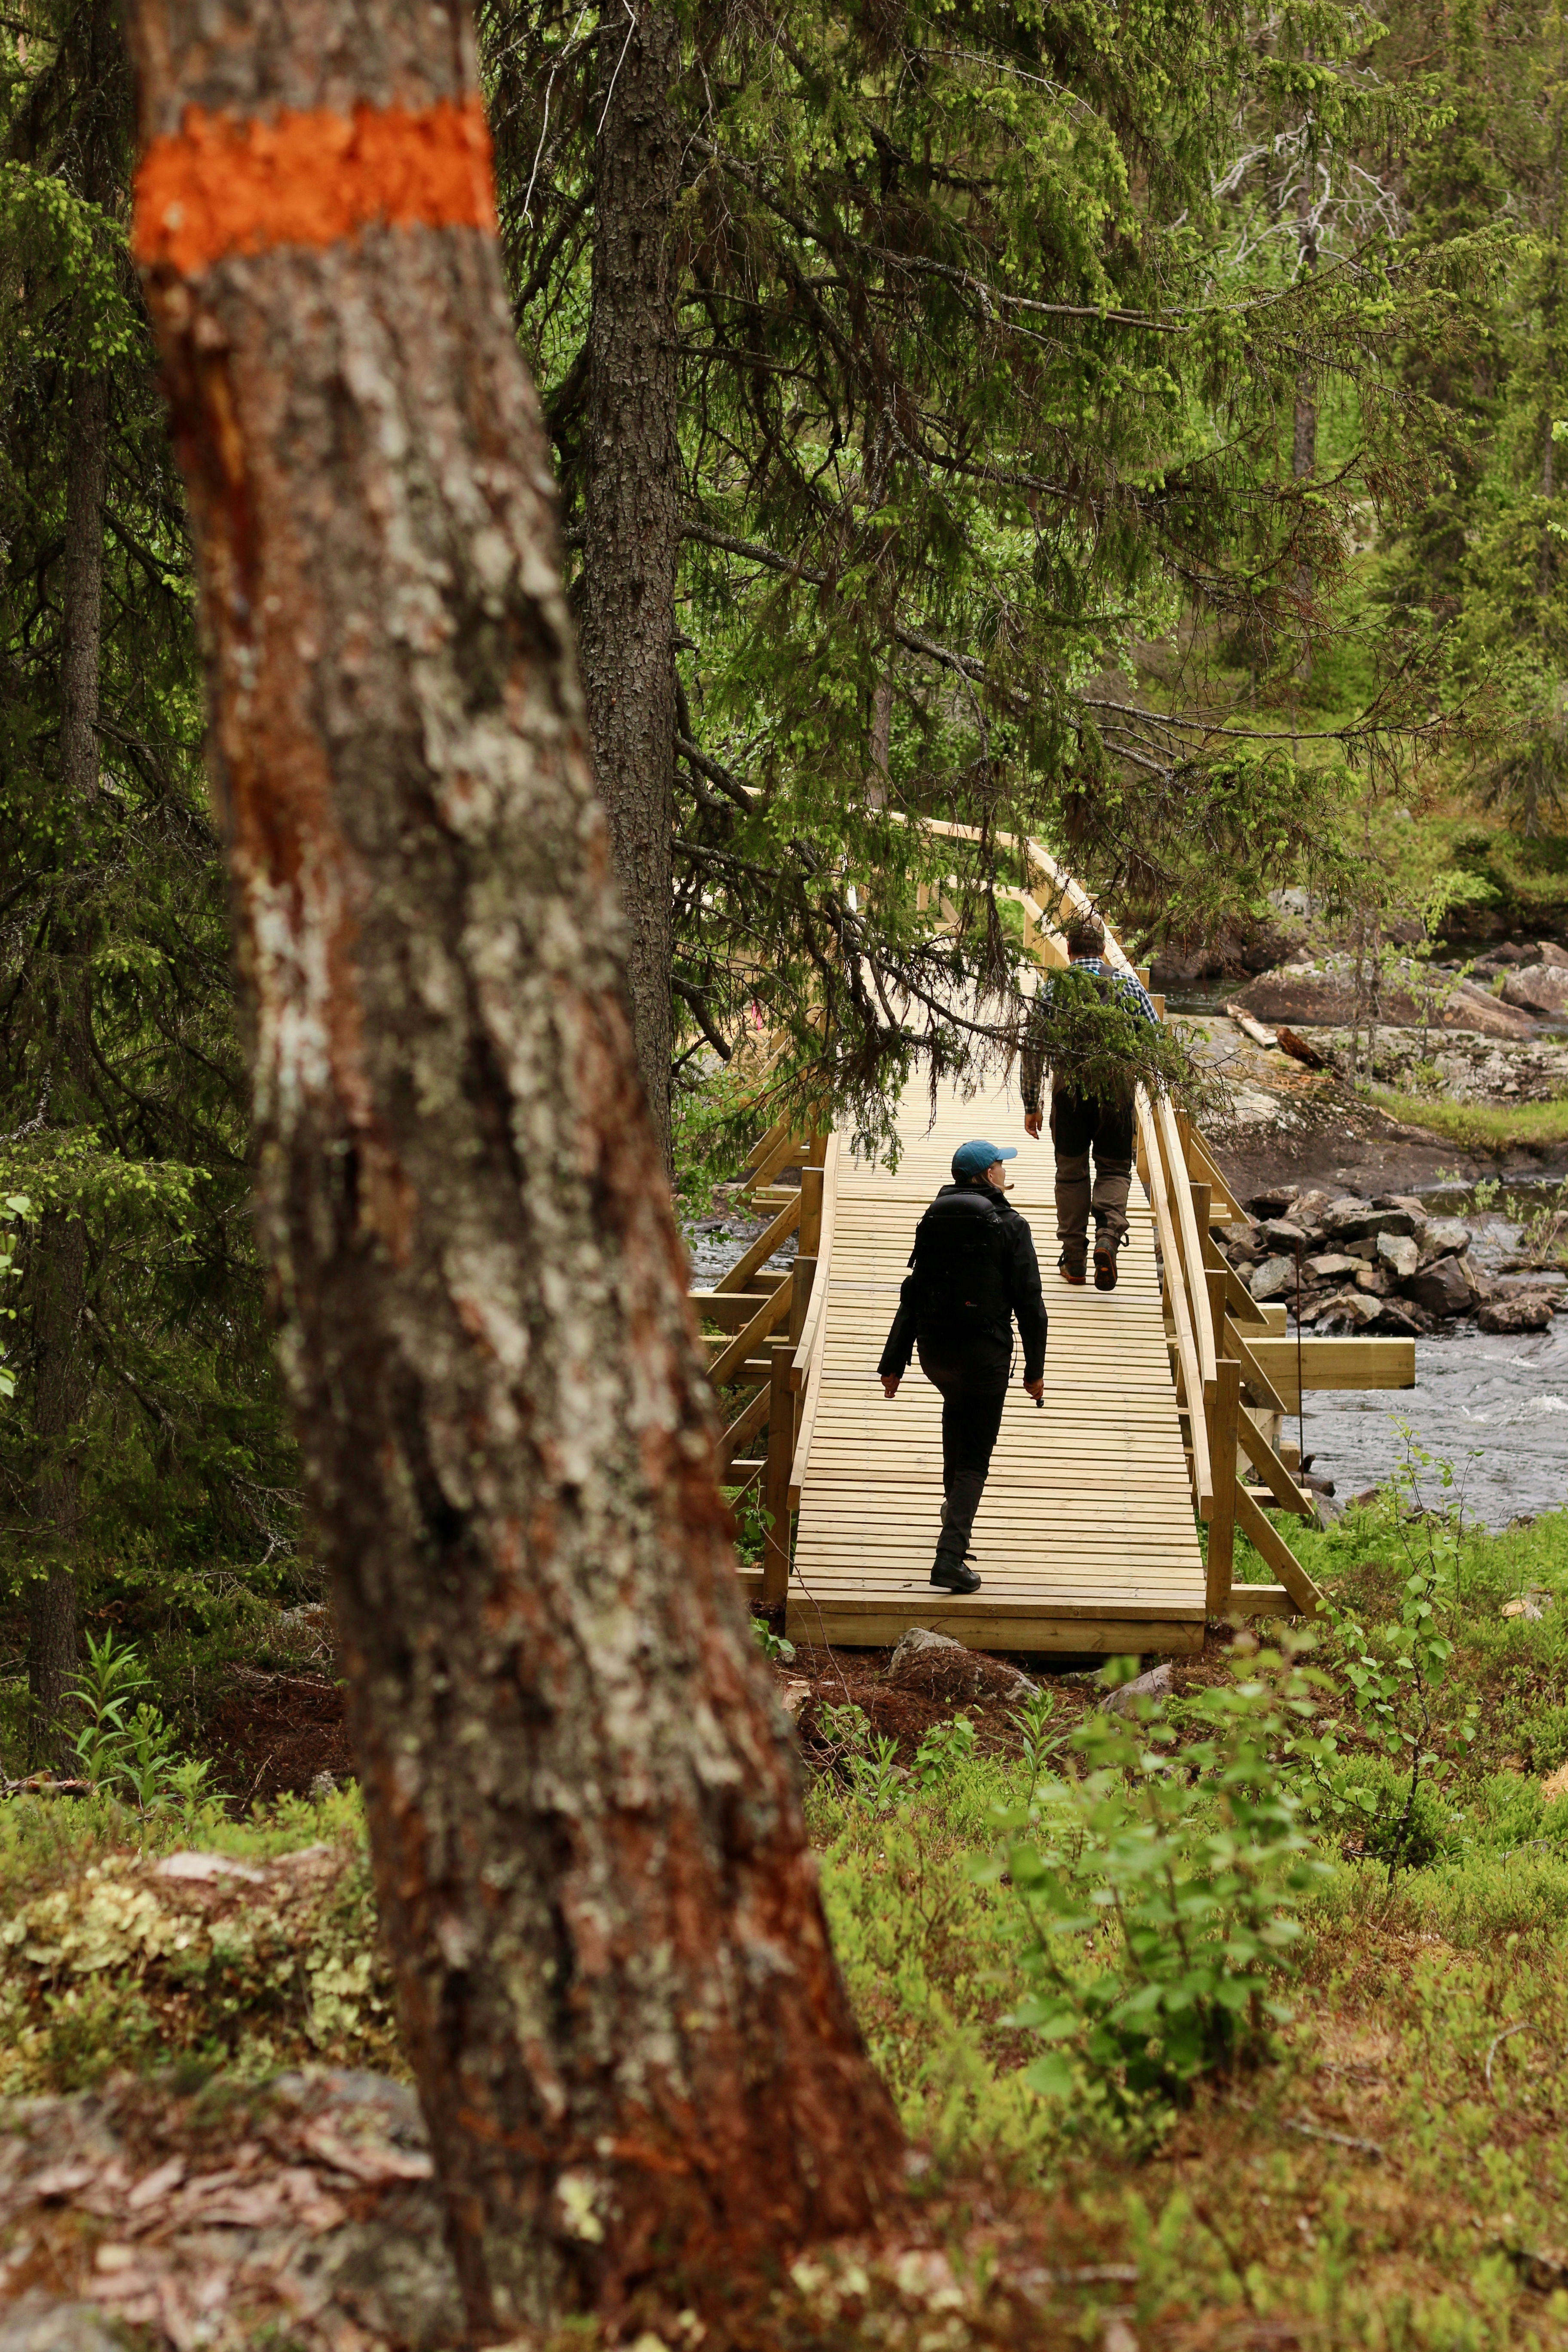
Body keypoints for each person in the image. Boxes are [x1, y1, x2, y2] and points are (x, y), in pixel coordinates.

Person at [877, 1139, 1047, 1594]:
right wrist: (1035, 1370)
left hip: (935, 1353)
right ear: (987, 1175)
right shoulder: (1011, 1224)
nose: (1003, 1170)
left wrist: (893, 1363)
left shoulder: (933, 1219)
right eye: (999, 1165)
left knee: (957, 1415)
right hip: (984, 1355)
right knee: (974, 1457)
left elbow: (913, 1293)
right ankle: (950, 1558)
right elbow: (1031, 1303)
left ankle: (955, 1515)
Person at [1020, 911, 1159, 1292]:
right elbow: (1155, 1041)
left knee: (1071, 1174)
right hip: (1116, 1095)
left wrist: (1032, 1103)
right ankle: (1107, 1240)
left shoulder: (1053, 989)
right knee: (1114, 1170)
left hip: (1069, 1096)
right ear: (1102, 948)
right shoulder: (1128, 986)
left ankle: (1075, 1261)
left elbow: (1033, 1049)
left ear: (1068, 948)